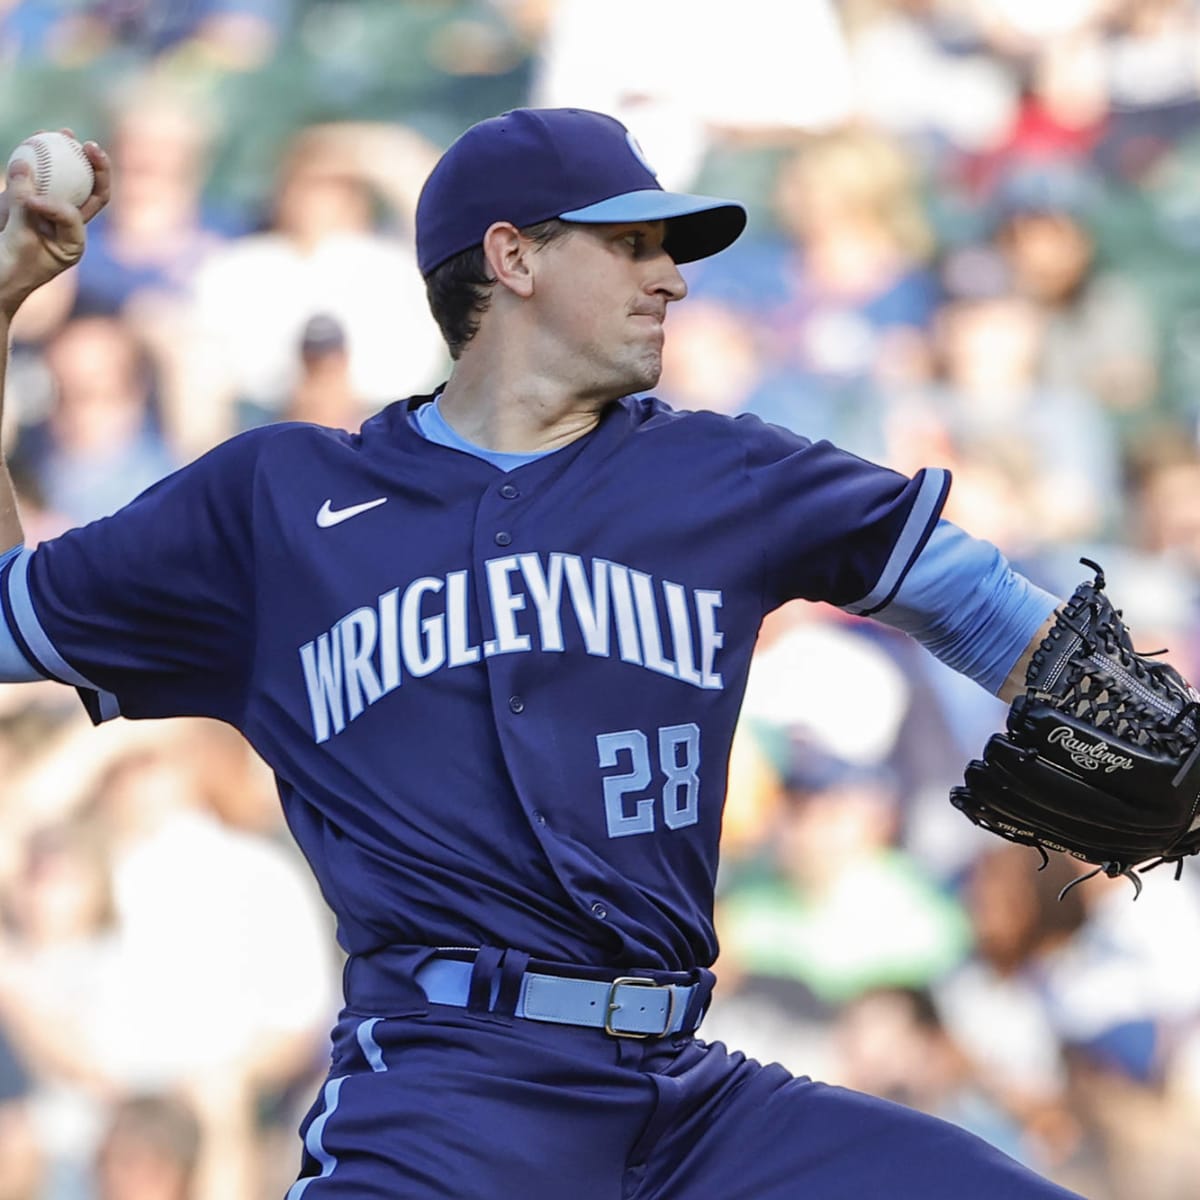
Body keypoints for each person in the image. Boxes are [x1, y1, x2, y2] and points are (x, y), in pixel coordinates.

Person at [0, 109, 1097, 1197]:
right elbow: (13, 619)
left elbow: (978, 602)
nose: (670, 278)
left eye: (668, 250)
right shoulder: (276, 503)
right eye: (631, 244)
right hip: (441, 1100)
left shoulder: (724, 473)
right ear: (511, 256)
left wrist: (1125, 723)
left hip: (690, 1102)